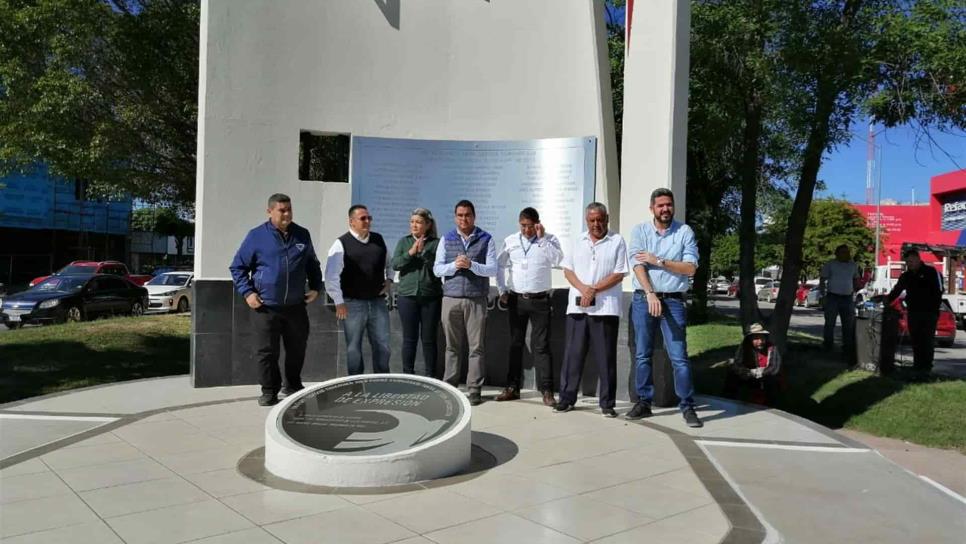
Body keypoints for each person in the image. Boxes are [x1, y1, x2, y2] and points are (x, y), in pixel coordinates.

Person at [229, 193, 322, 406]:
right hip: (266, 307)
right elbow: (237, 267)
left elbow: (312, 264)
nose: (287, 214)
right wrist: (248, 293)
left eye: (289, 209)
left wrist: (316, 287)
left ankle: (293, 385)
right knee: (267, 352)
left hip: (296, 306)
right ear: (270, 211)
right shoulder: (256, 236)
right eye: (282, 210)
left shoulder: (302, 235)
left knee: (297, 349)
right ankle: (269, 390)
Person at [625, 188, 703, 428]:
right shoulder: (640, 231)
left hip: (674, 301)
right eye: (660, 205)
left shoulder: (684, 232)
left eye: (668, 204)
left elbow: (690, 269)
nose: (665, 209)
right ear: (652, 208)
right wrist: (650, 293)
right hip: (643, 299)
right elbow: (637, 265)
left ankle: (688, 406)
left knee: (679, 356)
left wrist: (658, 261)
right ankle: (644, 403)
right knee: (642, 353)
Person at [554, 202, 628, 417]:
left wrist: (594, 289)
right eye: (592, 220)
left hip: (605, 310)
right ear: (587, 221)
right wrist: (585, 290)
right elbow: (568, 271)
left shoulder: (617, 241)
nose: (596, 224)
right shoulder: (577, 241)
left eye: (600, 219)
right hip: (578, 308)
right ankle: (567, 399)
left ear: (607, 219)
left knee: (606, 358)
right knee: (572, 356)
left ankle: (607, 404)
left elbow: (619, 273)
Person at [495, 207, 563, 406]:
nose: (526, 230)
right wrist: (502, 290)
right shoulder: (510, 241)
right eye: (523, 226)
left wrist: (541, 240)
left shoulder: (549, 240)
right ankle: (512, 388)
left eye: (530, 226)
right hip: (516, 299)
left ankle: (547, 391)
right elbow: (499, 265)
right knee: (516, 344)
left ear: (538, 223)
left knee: (542, 346)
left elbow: (559, 261)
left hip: (541, 300)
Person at [433, 200, 497, 406]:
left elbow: (492, 269)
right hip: (451, 298)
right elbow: (437, 269)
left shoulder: (486, 239)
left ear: (474, 216)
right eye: (460, 215)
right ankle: (450, 386)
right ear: (455, 217)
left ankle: (474, 388)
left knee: (476, 347)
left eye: (467, 215)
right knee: (451, 346)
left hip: (476, 299)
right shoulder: (446, 238)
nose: (464, 219)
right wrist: (454, 265)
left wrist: (472, 265)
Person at [325, 205, 393, 375]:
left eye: (369, 218)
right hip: (352, 304)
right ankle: (355, 384)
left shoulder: (378, 239)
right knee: (354, 347)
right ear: (351, 221)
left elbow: (390, 263)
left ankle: (382, 381)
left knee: (383, 345)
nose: (367, 221)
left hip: (377, 302)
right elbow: (331, 276)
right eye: (363, 218)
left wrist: (390, 280)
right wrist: (339, 302)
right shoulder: (341, 244)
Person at [391, 208, 443, 377]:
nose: (414, 225)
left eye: (419, 222)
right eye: (412, 221)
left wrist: (425, 254)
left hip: (431, 296)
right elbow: (395, 264)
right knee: (409, 339)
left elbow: (439, 268)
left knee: (429, 339)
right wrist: (411, 253)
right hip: (407, 296)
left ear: (427, 225)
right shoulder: (404, 242)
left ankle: (431, 377)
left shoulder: (437, 243)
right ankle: (408, 375)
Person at [887, 248, 943, 380]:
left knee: (927, 341)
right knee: (916, 340)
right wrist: (887, 300)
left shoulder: (930, 272)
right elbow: (897, 290)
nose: (910, 264)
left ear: (918, 259)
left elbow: (938, 291)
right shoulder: (906, 276)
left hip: (929, 312)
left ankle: (926, 368)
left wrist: (934, 308)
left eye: (911, 261)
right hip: (913, 312)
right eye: (907, 262)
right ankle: (917, 366)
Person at [724, 323, 782, 405]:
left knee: (771, 380)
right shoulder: (744, 346)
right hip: (748, 375)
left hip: (764, 376)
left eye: (762, 338)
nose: (761, 341)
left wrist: (754, 373)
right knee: (732, 374)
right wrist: (744, 371)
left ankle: (771, 407)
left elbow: (773, 368)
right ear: (750, 339)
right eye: (757, 339)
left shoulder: (771, 348)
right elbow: (737, 362)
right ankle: (729, 401)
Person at [820, 244, 860, 360]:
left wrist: (856, 291)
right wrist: (823, 295)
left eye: (847, 252)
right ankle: (828, 346)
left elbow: (855, 279)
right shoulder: (830, 264)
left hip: (847, 298)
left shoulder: (853, 265)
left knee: (848, 325)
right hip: (833, 297)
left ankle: (847, 349)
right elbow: (823, 280)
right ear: (837, 254)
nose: (846, 254)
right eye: (843, 252)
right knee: (830, 323)